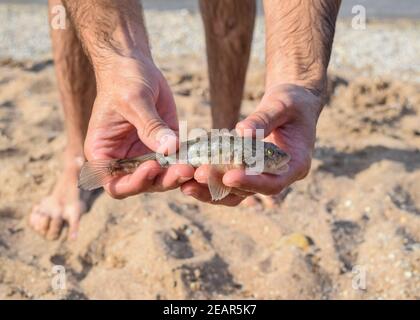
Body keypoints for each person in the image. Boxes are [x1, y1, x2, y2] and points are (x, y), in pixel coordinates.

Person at [29, 0, 341, 240]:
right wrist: (118, 62)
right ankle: (76, 157)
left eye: (271, 154)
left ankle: (227, 122)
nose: (274, 156)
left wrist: (298, 81)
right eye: (271, 154)